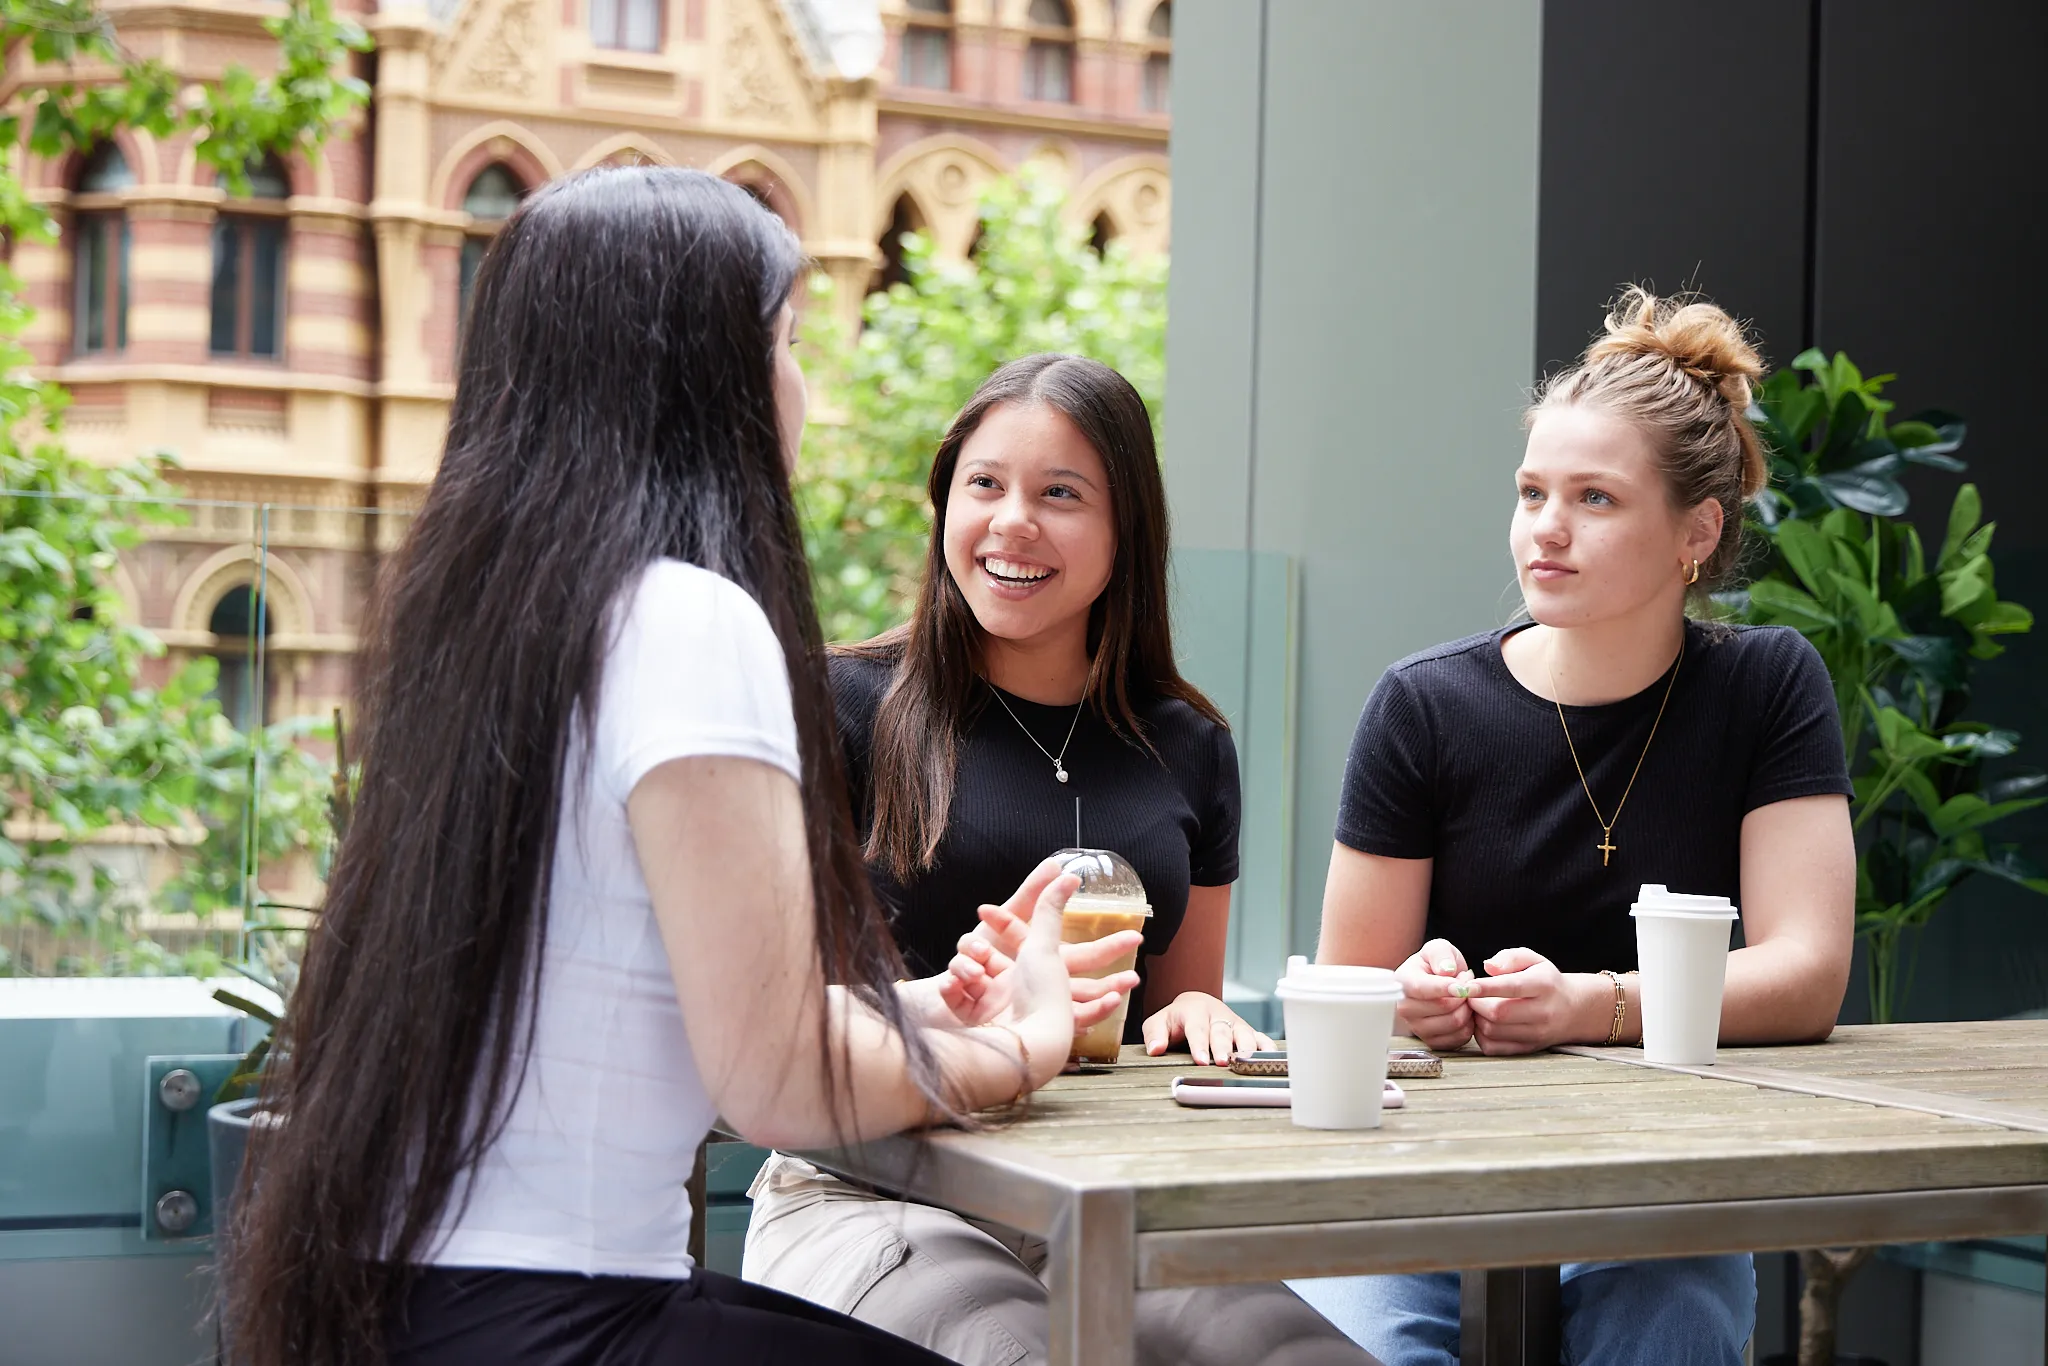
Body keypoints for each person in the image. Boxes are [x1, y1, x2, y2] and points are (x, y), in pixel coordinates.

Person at [221, 167, 1103, 1366]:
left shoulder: (494, 617)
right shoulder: (687, 619)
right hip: (563, 1321)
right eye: (786, 345)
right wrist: (1024, 1043)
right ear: (708, 385)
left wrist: (909, 1010)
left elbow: (619, 994)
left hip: (410, 1307)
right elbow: (781, 1084)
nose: (802, 388)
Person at [744, 354, 1380, 1366]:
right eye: (984, 485)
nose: (1011, 522)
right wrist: (969, 1005)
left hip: (1110, 1200)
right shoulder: (841, 705)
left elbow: (1172, 1013)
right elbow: (771, 1016)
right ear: (944, 500)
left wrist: (1199, 1018)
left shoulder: (1188, 745)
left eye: (1060, 495)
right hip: (869, 1190)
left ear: (1126, 529)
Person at [1288, 288, 1856, 1366]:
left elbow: (1805, 973)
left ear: (1696, 530)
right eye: (1531, 491)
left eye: (1593, 498)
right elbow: (1347, 987)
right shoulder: (1423, 704)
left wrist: (1586, 1006)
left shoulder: (1763, 687)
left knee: (1671, 1329)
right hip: (1418, 1190)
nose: (1543, 528)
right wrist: (1417, 991)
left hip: (1660, 1189)